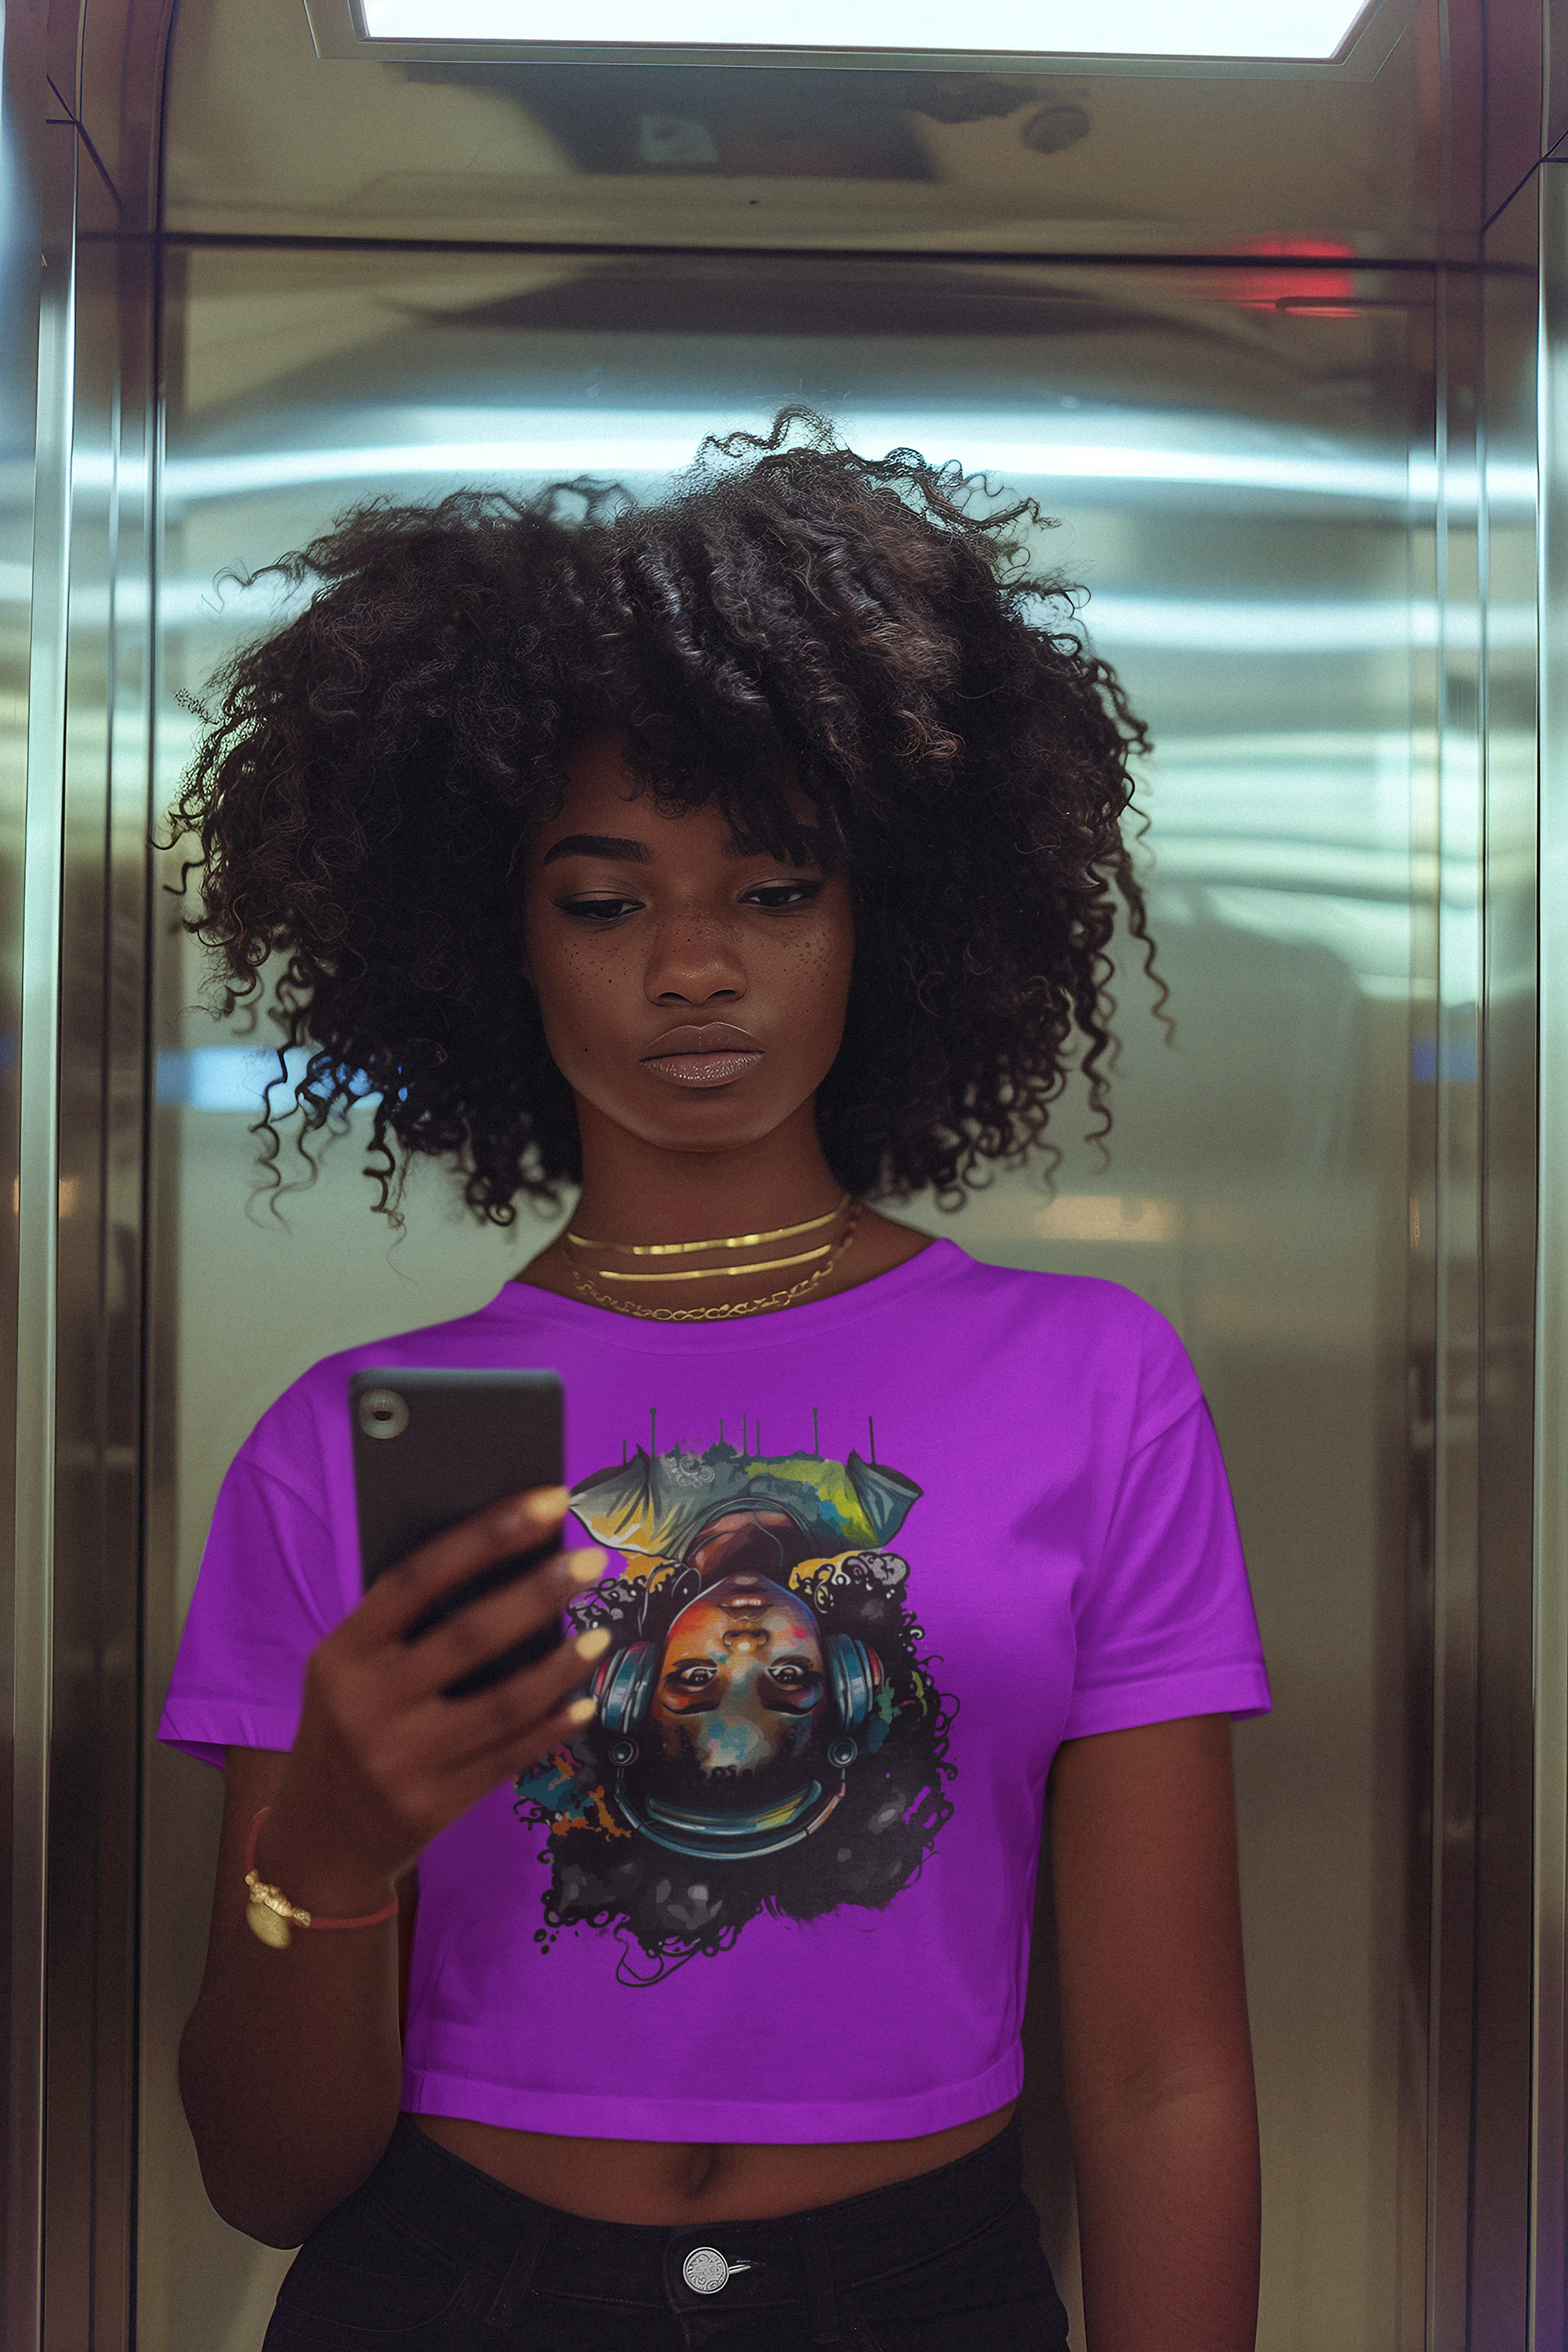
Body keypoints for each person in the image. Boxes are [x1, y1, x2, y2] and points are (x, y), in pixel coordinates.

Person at [161, 415, 1270, 2352]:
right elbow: (268, 2179)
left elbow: (1162, 2077)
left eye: (771, 890)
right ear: (498, 941)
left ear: (879, 917)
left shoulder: (1094, 1385)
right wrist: (321, 1854)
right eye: (604, 901)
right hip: (453, 2289)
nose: (690, 966)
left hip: (923, 2293)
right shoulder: (340, 1447)